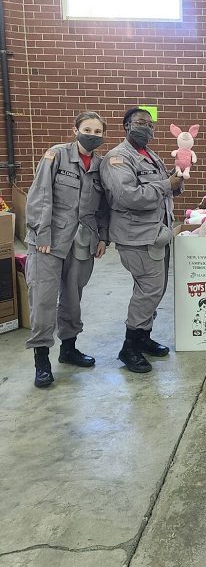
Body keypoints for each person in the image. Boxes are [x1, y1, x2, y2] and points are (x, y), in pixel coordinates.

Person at [25, 111, 109, 389]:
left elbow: (103, 208)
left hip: (83, 241)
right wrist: (42, 233)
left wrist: (103, 238)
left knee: (73, 298)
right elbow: (40, 195)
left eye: (98, 131)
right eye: (88, 129)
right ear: (75, 129)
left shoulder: (100, 165)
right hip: (49, 240)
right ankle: (42, 361)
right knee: (44, 300)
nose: (93, 135)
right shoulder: (57, 155)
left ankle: (69, 349)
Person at [100, 108, 183, 374]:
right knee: (148, 291)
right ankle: (130, 348)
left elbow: (163, 191)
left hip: (157, 234)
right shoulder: (118, 158)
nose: (146, 128)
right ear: (126, 126)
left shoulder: (151, 155)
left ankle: (144, 337)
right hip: (137, 237)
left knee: (155, 290)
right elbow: (128, 197)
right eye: (139, 123)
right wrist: (166, 184)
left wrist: (176, 179)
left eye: (150, 124)